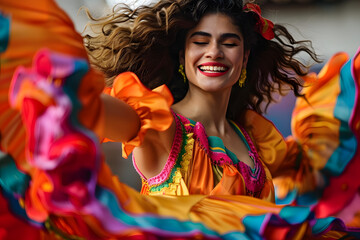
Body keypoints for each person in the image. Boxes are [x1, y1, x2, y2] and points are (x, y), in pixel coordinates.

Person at [0, 0, 359, 239]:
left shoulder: (255, 136)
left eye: (228, 42)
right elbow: (94, 112)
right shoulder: (161, 126)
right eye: (200, 41)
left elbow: (311, 170)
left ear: (245, 58)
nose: (214, 52)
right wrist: (52, 94)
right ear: (183, 57)